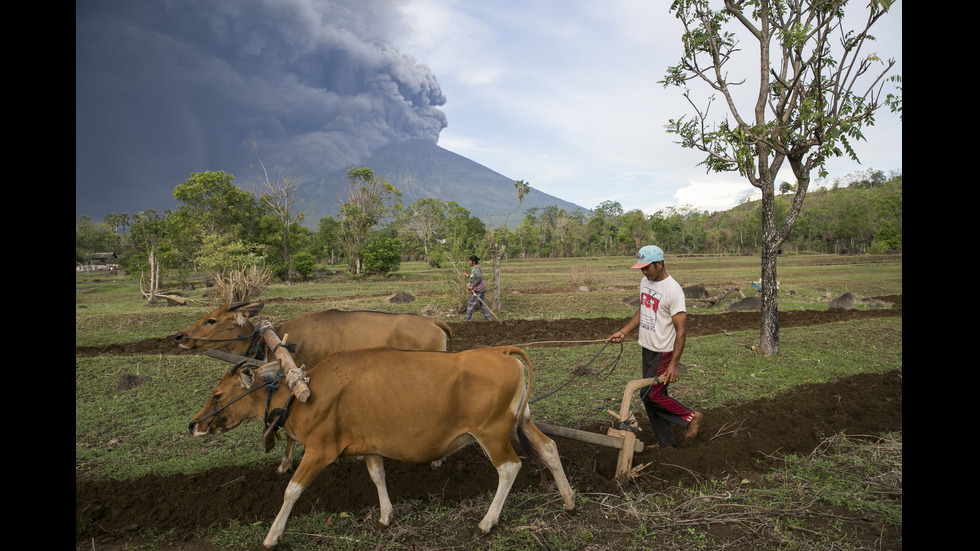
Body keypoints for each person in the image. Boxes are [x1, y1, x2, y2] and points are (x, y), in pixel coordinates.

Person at [606, 245, 702, 448]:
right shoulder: (645, 281)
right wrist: (624, 332)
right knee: (651, 396)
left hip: (663, 351)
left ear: (659, 264)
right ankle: (666, 443)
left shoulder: (673, 291)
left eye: (647, 267)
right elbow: (644, 309)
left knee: (651, 395)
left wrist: (673, 364)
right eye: (641, 268)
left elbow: (681, 331)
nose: (644, 271)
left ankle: (690, 417)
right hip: (647, 348)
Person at [465, 255, 492, 322]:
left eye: (470, 261)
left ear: (473, 261)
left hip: (478, 289)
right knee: (483, 305)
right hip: (481, 288)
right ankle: (488, 319)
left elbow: (479, 278)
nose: (469, 262)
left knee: (470, 305)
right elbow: (475, 277)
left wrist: (472, 286)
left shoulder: (476, 268)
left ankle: (467, 321)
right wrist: (468, 276)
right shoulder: (475, 268)